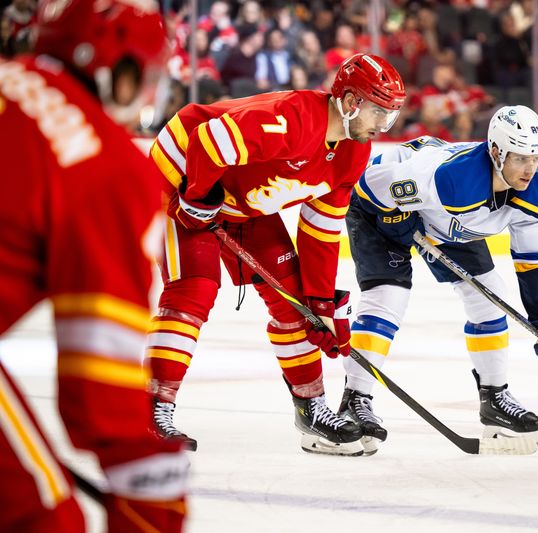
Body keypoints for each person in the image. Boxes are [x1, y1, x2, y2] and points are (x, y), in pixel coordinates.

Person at [147, 53, 406, 456]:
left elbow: (320, 232)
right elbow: (209, 141)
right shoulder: (296, 119)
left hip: (241, 203)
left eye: (389, 117)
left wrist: (320, 305)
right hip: (184, 172)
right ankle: (152, 409)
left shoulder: (353, 154)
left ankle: (311, 410)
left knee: (294, 305)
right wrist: (197, 197)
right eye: (379, 113)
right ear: (352, 103)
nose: (381, 126)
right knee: (194, 289)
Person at [0, 0, 189, 531]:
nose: (147, 95)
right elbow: (100, 376)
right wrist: (151, 493)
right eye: (146, 77)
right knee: (46, 519)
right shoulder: (109, 165)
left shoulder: (10, 78)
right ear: (116, 69)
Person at [339, 106, 538, 455]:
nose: (531, 168)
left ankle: (495, 400)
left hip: (447, 224)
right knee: (389, 296)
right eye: (521, 158)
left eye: (537, 157)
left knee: (491, 295)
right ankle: (355, 399)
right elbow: (367, 188)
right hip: (381, 206)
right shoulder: (454, 180)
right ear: (497, 152)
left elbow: (534, 262)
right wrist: (394, 221)